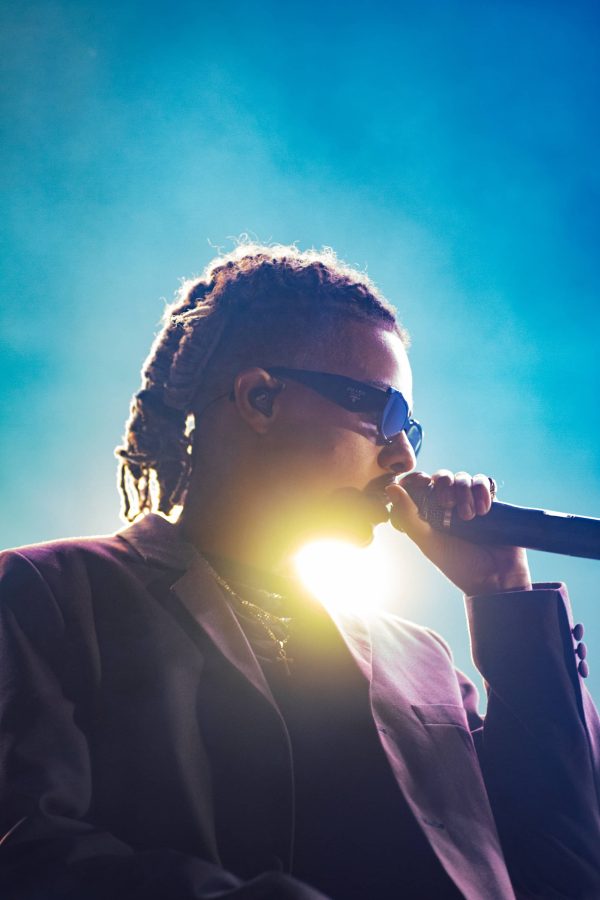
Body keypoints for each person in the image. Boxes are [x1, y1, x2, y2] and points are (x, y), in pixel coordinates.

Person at [0, 244, 599, 900]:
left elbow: (567, 873)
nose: (402, 457)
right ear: (260, 398)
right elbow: (29, 851)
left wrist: (502, 595)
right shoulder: (49, 594)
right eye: (383, 415)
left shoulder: (422, 661)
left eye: (411, 430)